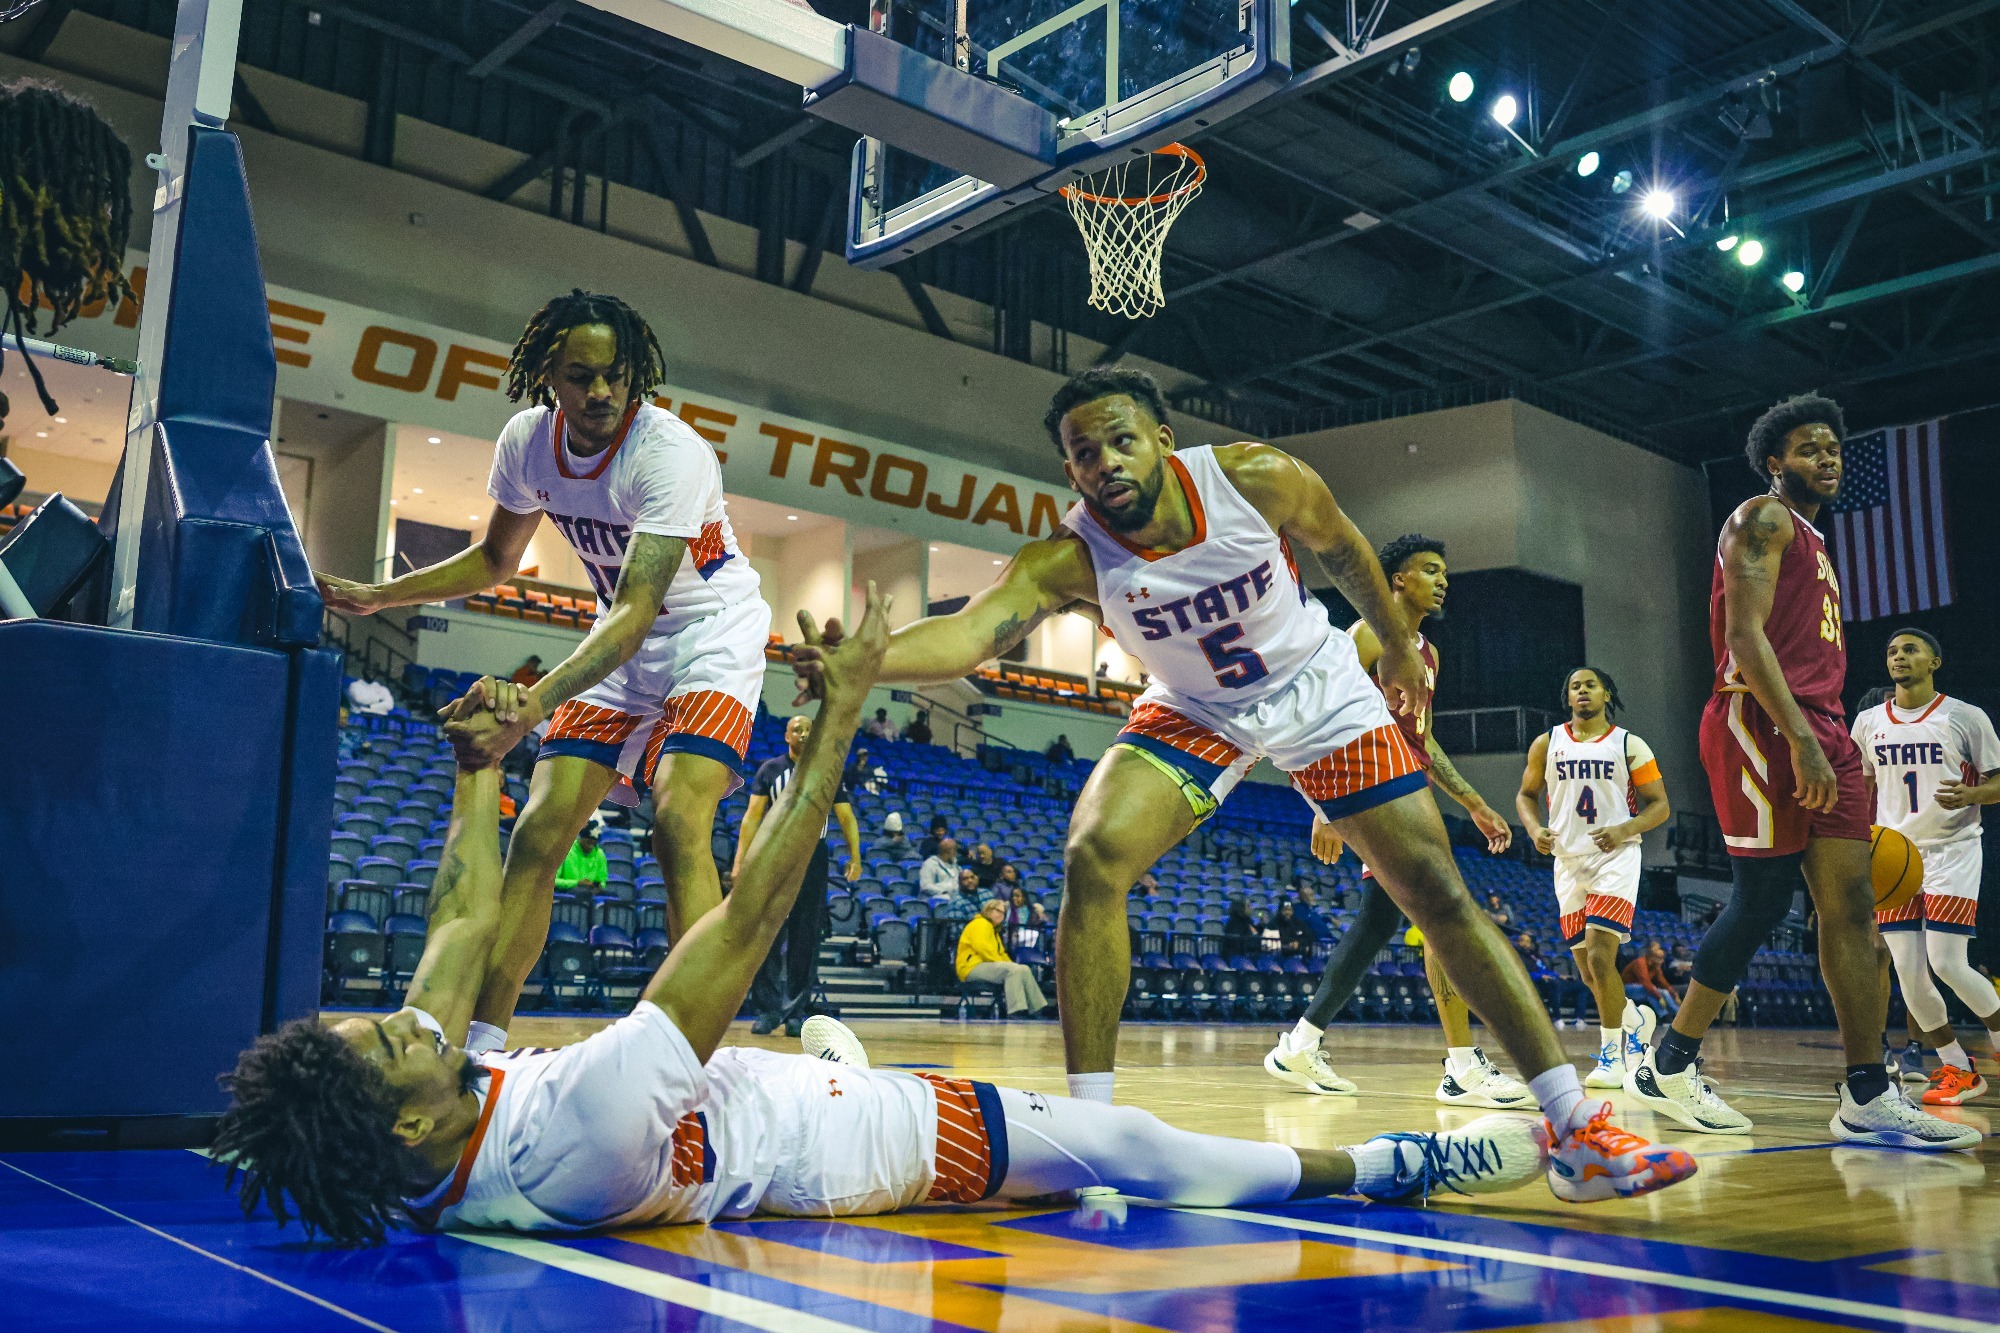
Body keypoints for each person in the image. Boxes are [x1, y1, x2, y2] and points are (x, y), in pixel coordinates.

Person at [223, 587, 1551, 1243]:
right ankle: (1396, 1166)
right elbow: (744, 921)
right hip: (866, 1146)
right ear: (409, 1118)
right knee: (1126, 1147)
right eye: (390, 1042)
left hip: (762, 1109)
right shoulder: (574, 1133)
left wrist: (476, 777)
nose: (407, 1023)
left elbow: (459, 932)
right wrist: (839, 720)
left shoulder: (415, 1140)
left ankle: (835, 1046)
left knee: (803, 1058)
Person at [792, 368, 1691, 1202]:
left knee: (1437, 891)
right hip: (1196, 707)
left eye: (1121, 440)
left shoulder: (1254, 478)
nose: (1105, 463)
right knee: (1093, 855)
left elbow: (1345, 550)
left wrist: (1397, 643)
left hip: (1317, 687)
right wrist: (866, 662)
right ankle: (1092, 1134)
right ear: (1069, 469)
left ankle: (1576, 1128)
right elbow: (974, 632)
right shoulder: (1067, 557)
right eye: (1084, 452)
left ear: (1163, 439)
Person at [315, 292, 771, 1041]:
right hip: (620, 637)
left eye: (616, 375)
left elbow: (636, 612)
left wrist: (534, 702)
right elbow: (497, 559)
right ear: (548, 378)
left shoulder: (669, 452)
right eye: (581, 376)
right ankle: (483, 1048)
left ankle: (701, 1051)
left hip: (709, 633)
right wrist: (380, 595)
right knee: (537, 831)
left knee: (678, 819)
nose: (602, 392)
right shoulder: (528, 443)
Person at [1625, 393, 1976, 1151]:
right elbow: (1744, 639)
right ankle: (1670, 1062)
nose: (1828, 458)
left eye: (1834, 448)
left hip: (1822, 722)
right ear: (1774, 461)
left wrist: (1822, 737)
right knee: (1760, 900)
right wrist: (1800, 740)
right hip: (1758, 721)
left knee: (1853, 907)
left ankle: (1867, 1092)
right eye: (1810, 448)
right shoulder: (1764, 517)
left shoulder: (1813, 538)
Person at [1269, 534, 1526, 1110]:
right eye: (1430, 570)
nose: (1443, 581)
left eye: (1445, 573)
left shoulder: (1427, 655)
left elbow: (1422, 738)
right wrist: (1325, 808)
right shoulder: (1364, 635)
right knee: (1440, 910)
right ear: (1397, 581)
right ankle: (1462, 1067)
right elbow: (1311, 713)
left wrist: (1473, 801)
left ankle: (1301, 1043)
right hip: (1367, 789)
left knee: (1379, 921)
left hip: (1405, 787)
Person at [1852, 628, 2000, 1106]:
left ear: (1934, 661)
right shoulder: (1868, 722)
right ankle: (1959, 1068)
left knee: (1947, 963)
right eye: (1892, 651)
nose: (1899, 657)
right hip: (1894, 855)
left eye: (1910, 650)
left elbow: (1998, 782)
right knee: (1909, 974)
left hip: (1952, 849)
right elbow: (1862, 789)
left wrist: (1973, 793)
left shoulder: (1965, 716)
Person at [1516, 666, 1673, 1090]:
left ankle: (1612, 1057)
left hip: (1615, 857)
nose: (1582, 691)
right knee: (1589, 972)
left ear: (1607, 694)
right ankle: (1633, 1020)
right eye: (1575, 686)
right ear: (1567, 697)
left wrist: (1624, 829)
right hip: (1568, 862)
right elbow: (1526, 795)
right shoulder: (1547, 743)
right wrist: (1533, 829)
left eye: (1590, 685)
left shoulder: (1629, 744)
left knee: (1603, 959)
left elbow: (1659, 805)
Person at [734, 712, 862, 1037]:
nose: (803, 734)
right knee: (767, 930)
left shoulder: (828, 770)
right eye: (797, 729)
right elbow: (752, 817)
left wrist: (855, 857)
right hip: (774, 852)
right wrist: (740, 862)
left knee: (806, 933)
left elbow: (846, 817)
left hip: (813, 853)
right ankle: (767, 1010)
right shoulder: (770, 770)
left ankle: (795, 1011)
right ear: (787, 736)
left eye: (808, 730)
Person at [957, 899, 1050, 1017]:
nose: (1000, 915)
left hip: (986, 965)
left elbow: (1001, 953)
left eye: (1003, 913)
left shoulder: (993, 930)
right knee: (1012, 970)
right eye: (997, 911)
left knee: (1023, 969)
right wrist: (1009, 965)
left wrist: (1012, 964)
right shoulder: (980, 923)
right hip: (971, 967)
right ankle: (1016, 1010)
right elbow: (984, 950)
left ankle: (1038, 1008)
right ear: (988, 910)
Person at [1623, 943, 1681, 1021]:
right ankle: (1664, 1015)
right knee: (1652, 991)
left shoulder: (1655, 966)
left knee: (1664, 992)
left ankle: (1677, 1013)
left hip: (1643, 989)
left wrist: (1675, 995)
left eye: (1662, 958)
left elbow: (1663, 982)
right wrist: (1659, 997)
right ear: (1651, 957)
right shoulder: (1640, 963)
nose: (1662, 961)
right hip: (1627, 989)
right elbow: (1645, 982)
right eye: (1659, 958)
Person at [554, 819, 607, 893]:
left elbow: (602, 881)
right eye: (588, 842)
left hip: (590, 893)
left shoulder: (599, 853)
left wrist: (598, 886)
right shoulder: (564, 851)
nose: (591, 847)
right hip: (567, 892)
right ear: (581, 839)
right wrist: (577, 883)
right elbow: (553, 881)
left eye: (594, 844)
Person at [1003, 885, 1049, 950]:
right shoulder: (1007, 910)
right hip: (1008, 938)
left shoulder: (1033, 911)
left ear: (1024, 898)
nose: (1014, 898)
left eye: (1017, 896)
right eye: (1013, 896)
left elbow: (1042, 923)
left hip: (1026, 939)